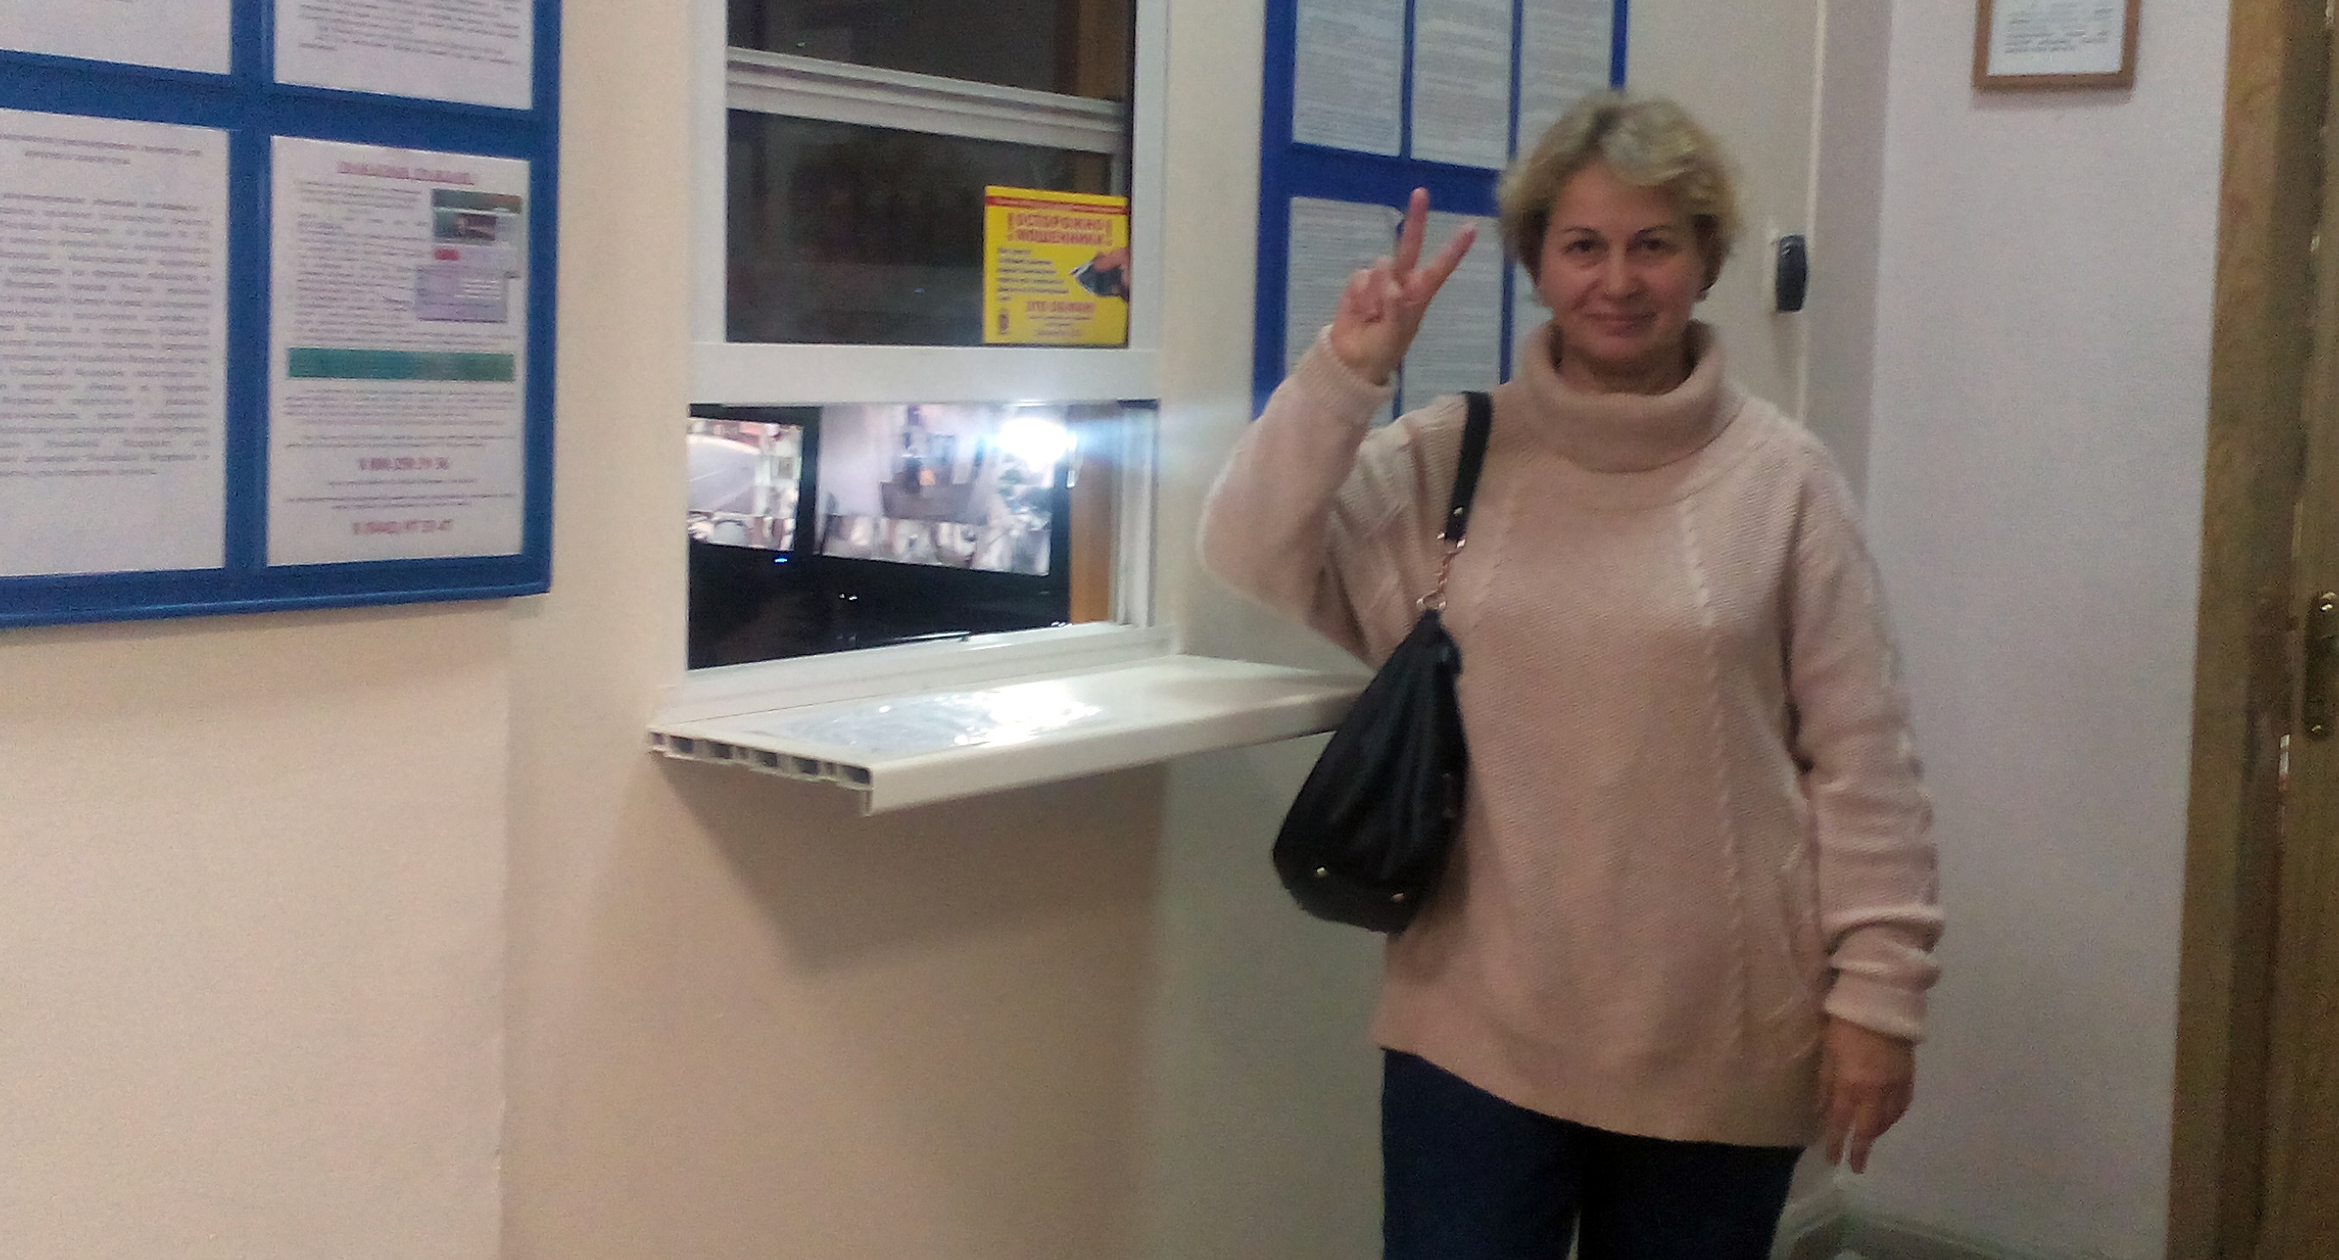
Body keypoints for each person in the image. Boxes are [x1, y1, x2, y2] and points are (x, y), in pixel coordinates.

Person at [1200, 91, 1943, 1259]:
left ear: (1705, 259)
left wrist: (1877, 999)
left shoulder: (1782, 482)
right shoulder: (1453, 455)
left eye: (1653, 244)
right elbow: (1247, 548)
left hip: (1717, 1037)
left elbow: (1862, 764)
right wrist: (1345, 374)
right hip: (1473, 1028)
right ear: (1536, 263)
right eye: (1582, 246)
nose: (1617, 280)